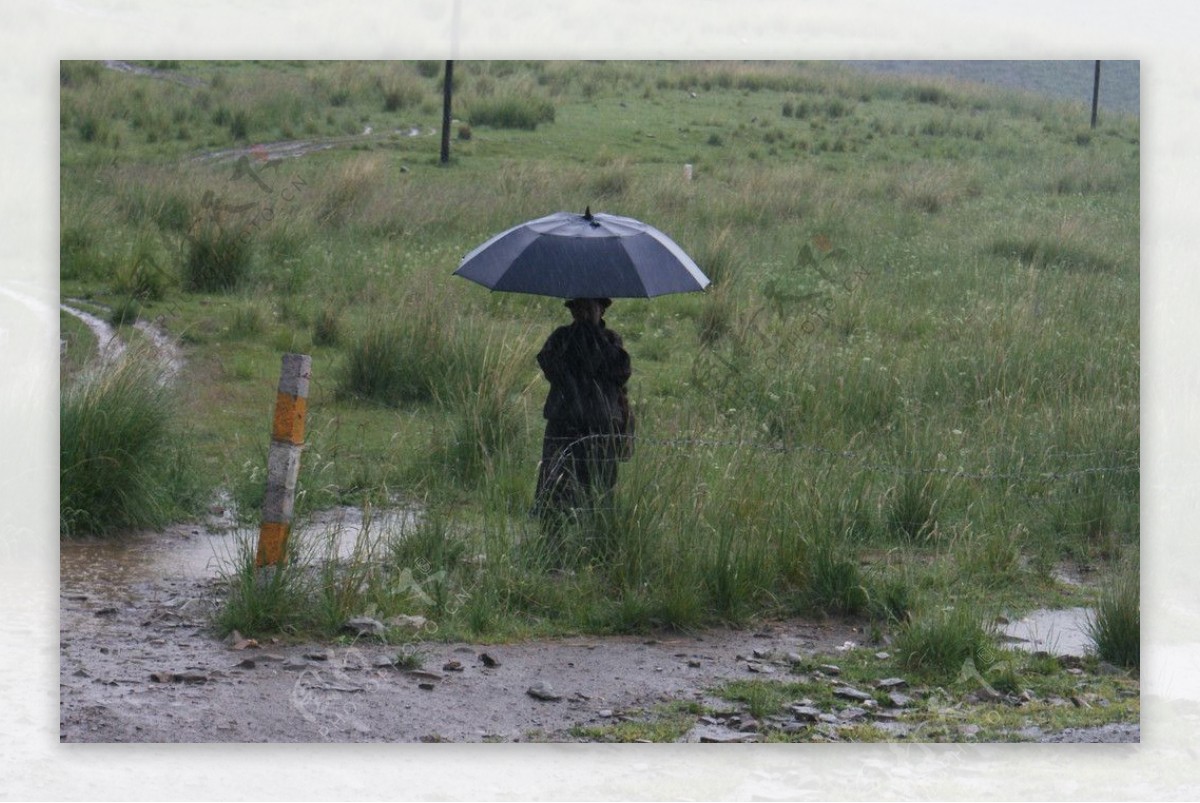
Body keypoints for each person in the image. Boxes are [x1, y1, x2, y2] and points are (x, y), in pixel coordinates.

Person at [533, 297, 633, 553]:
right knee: (556, 486)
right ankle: (552, 546)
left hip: (600, 426)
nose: (585, 313)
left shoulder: (611, 340)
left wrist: (594, 340)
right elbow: (550, 366)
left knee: (599, 487)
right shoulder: (561, 338)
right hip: (563, 423)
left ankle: (597, 547)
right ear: (572, 311)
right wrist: (576, 340)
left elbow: (621, 371)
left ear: (602, 310)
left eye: (591, 308)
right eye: (579, 308)